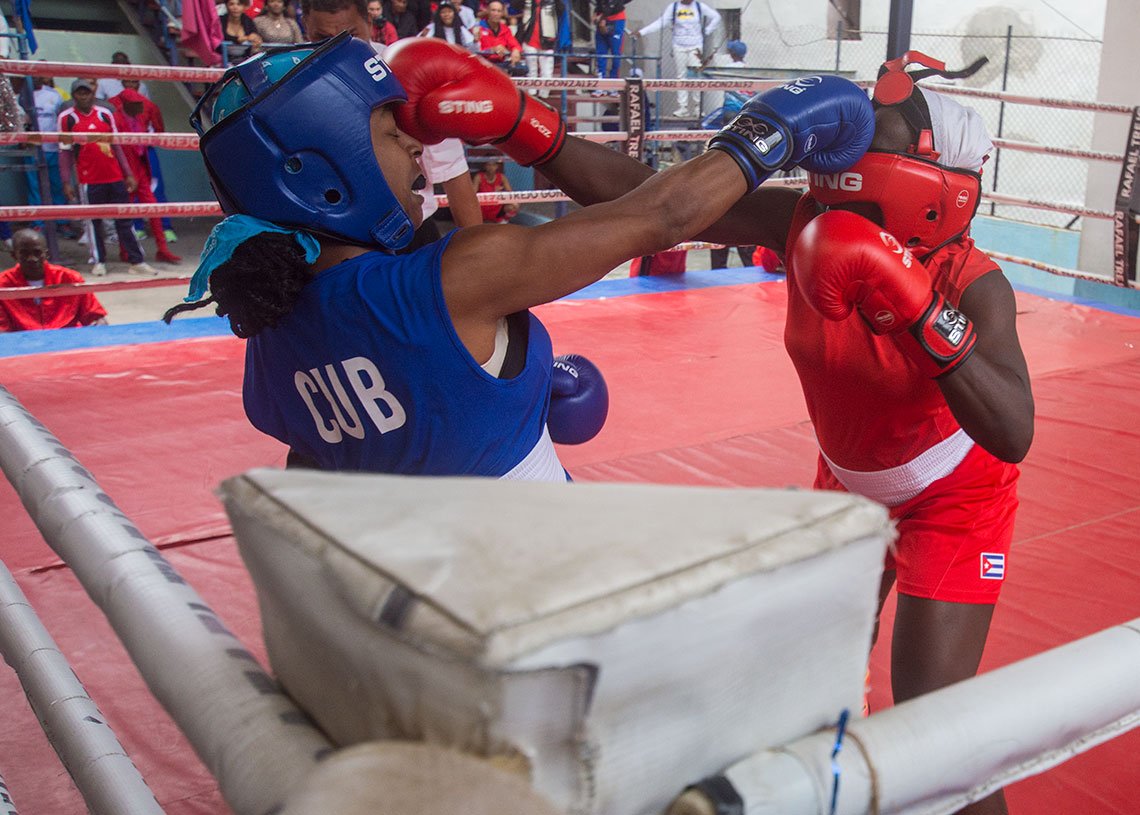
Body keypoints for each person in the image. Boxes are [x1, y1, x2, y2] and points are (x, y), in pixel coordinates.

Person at [441, 51, 1025, 815]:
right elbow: (643, 202)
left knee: (935, 729)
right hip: (850, 484)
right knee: (801, 685)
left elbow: (1013, 430)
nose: (844, 161)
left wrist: (920, 308)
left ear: (929, 174)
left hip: (956, 494)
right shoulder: (805, 220)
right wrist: (529, 128)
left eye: (867, 142)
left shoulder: (975, 284)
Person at [162, 34, 873, 480]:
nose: (415, 146)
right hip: (534, 595)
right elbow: (661, 215)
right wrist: (774, 128)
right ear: (320, 171)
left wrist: (493, 410)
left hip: (411, 620)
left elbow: (315, 468)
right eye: (386, 130)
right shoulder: (457, 277)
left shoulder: (270, 333)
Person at [299, 0, 484, 240]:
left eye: (350, 36)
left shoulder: (405, 72)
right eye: (321, 37)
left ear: (368, 22)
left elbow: (454, 174)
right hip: (330, 238)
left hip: (411, 231)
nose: (336, 49)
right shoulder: (288, 81)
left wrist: (476, 261)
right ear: (305, 26)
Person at [58, 79, 157, 277]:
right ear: (74, 95)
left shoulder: (105, 114)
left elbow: (117, 146)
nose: (84, 96)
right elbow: (65, 152)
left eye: (87, 92)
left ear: (93, 93)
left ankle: (137, 261)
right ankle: (99, 261)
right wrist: (66, 181)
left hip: (114, 176)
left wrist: (128, 173)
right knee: (93, 222)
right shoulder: (67, 118)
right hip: (88, 179)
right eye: (80, 93)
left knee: (125, 220)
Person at [109, 88, 182, 264]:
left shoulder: (140, 115)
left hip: (141, 167)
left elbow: (157, 131)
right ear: (127, 105)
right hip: (126, 171)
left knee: (153, 207)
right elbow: (116, 149)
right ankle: (125, 251)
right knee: (126, 212)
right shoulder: (116, 120)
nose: (142, 107)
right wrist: (126, 174)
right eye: (137, 105)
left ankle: (162, 249)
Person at [0, 229, 108, 332]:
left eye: (37, 252)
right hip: (22, 345)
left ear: (46, 254)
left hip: (69, 342)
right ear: (14, 255)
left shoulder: (70, 278)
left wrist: (99, 327)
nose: (31, 258)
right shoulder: (2, 285)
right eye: (24, 253)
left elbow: (94, 315)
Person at [631, 0, 720, 119]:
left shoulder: (699, 6)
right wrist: (642, 32)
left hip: (695, 46)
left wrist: (707, 31)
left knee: (695, 76)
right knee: (681, 76)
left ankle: (697, 108)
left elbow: (716, 17)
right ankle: (683, 107)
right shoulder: (674, 7)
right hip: (679, 46)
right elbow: (660, 23)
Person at [514, 0, 562, 92]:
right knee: (531, 71)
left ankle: (544, 95)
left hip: (548, 38)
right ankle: (532, 95)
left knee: (547, 71)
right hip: (529, 37)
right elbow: (515, 5)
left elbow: (561, 10)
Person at [478, 0, 522, 72]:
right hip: (483, 63)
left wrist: (516, 50)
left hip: (501, 63)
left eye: (499, 11)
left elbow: (514, 44)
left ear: (502, 13)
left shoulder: (505, 29)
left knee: (522, 68)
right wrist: (492, 49)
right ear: (488, 11)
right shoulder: (479, 27)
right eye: (493, 10)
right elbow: (474, 50)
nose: (496, 14)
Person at [592, 0, 626, 86]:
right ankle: (600, 84)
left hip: (616, 20)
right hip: (602, 18)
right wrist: (595, 13)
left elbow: (614, 4)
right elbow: (600, 4)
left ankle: (613, 84)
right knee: (601, 53)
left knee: (616, 54)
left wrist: (602, 17)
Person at [472, 158, 517, 223]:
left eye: (493, 165)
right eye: (488, 165)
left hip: (497, 206)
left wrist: (501, 192)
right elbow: (473, 193)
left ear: (497, 166)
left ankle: (504, 222)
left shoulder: (501, 177)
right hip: (482, 206)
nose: (491, 167)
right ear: (485, 166)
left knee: (514, 205)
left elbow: (510, 193)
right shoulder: (479, 177)